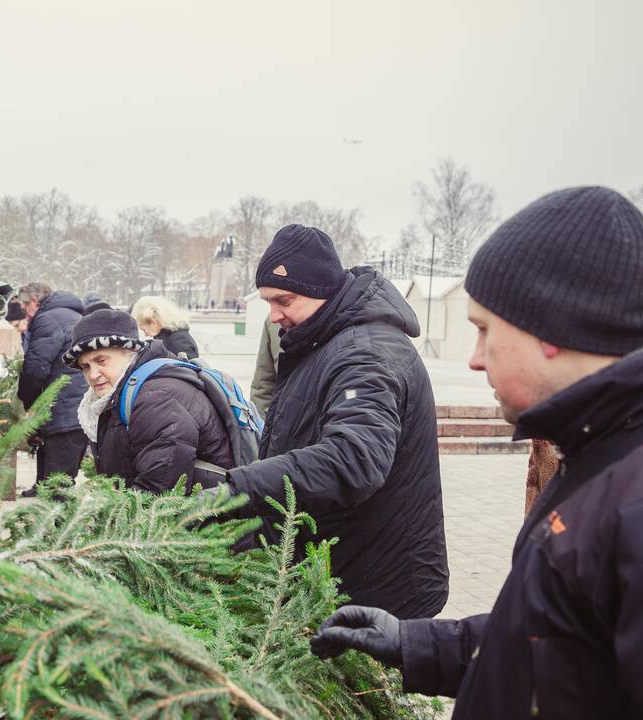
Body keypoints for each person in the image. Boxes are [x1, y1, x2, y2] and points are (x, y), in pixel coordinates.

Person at [310, 187, 643, 718]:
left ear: (550, 328)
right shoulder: (594, 452)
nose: (474, 359)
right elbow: (556, 638)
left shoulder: (629, 501)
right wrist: (415, 644)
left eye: (485, 330)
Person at [209, 224, 448, 619]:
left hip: (379, 588)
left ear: (321, 290)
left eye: (283, 300)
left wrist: (239, 487)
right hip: (341, 571)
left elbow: (352, 460)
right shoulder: (323, 341)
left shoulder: (366, 355)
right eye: (268, 302)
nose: (274, 315)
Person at [64, 309, 233, 493]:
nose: (93, 374)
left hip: (207, 513)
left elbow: (157, 493)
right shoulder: (122, 393)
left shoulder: (155, 398)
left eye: (102, 360)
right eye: (85, 367)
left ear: (129, 352)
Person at [16, 283, 89, 496]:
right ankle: (41, 488)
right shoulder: (70, 316)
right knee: (51, 447)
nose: (25, 314)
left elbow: (35, 368)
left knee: (59, 478)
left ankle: (55, 520)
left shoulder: (47, 319)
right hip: (75, 402)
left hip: (66, 404)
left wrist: (28, 403)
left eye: (24, 307)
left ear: (35, 302)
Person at [130, 295, 200, 360]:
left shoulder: (178, 343)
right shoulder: (168, 338)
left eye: (144, 330)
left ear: (153, 323)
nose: (146, 334)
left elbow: (187, 371)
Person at [249, 314, 281, 417]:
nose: (274, 312)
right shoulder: (273, 321)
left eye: (284, 301)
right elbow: (263, 385)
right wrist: (261, 426)